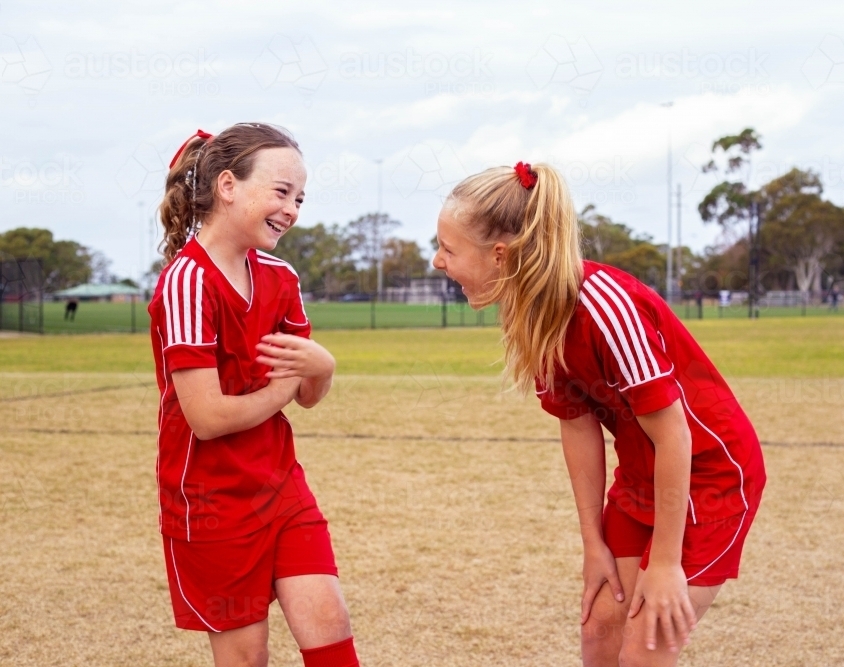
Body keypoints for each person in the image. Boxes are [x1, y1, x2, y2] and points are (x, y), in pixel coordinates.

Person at [432, 162, 766, 667]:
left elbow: (675, 435)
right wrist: (594, 545)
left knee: (642, 651)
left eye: (448, 249)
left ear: (499, 255)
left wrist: (666, 563)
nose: (437, 261)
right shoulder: (533, 313)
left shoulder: (604, 307)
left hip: (707, 478)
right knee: (599, 634)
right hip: (639, 479)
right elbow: (577, 426)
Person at [149, 124, 359, 667]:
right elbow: (209, 417)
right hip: (211, 501)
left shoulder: (280, 277)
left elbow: (307, 394)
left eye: (299, 198)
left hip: (281, 484)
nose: (291, 210)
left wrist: (322, 370)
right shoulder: (186, 282)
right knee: (247, 657)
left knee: (330, 625)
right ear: (227, 186)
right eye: (280, 192)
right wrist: (288, 385)